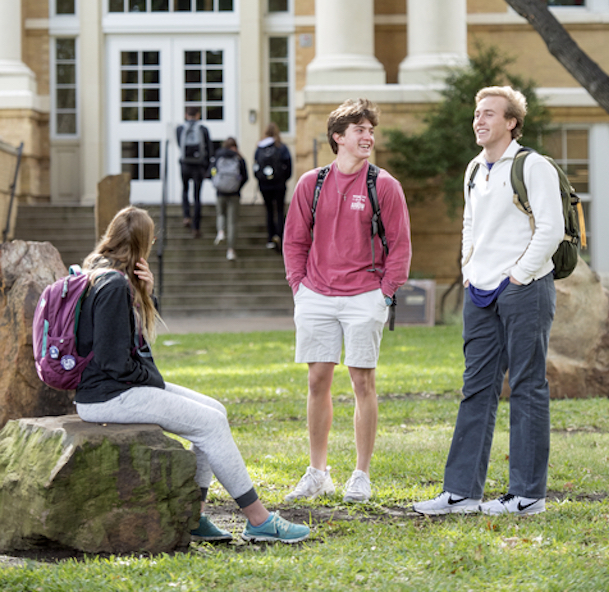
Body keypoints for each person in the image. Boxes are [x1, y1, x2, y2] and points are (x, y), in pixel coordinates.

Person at [74, 205, 310, 545]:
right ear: (142, 242)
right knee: (209, 424)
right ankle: (259, 519)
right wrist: (153, 379)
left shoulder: (106, 274)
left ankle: (195, 516)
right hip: (109, 396)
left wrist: (147, 292)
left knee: (216, 411)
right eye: (152, 238)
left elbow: (127, 343)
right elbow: (114, 360)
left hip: (118, 388)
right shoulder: (111, 285)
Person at [413, 86, 564, 518]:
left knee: (528, 386)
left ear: (511, 122)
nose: (479, 121)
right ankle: (461, 493)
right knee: (475, 389)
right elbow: (470, 224)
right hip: (479, 291)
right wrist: (468, 266)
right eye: (477, 114)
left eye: (489, 115)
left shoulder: (533, 166)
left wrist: (518, 274)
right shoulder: (475, 168)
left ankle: (527, 495)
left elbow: (550, 228)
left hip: (525, 288)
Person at [282, 98, 412, 504]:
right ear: (338, 137)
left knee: (362, 382)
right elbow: (294, 240)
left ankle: (361, 473)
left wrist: (384, 293)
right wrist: (299, 287)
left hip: (365, 296)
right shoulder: (311, 184)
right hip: (316, 295)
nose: (367, 136)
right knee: (317, 379)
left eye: (371, 130)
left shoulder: (384, 185)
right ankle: (317, 472)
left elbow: (401, 247)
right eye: (359, 130)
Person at [253, 122, 292, 251]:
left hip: (265, 185)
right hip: (279, 184)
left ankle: (270, 238)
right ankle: (280, 236)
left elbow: (255, 167)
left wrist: (261, 181)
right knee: (280, 210)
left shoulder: (260, 147)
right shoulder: (281, 147)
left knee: (269, 211)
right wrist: (283, 179)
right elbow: (289, 166)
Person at [176, 106, 211, 239]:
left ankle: (186, 216)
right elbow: (209, 148)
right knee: (197, 195)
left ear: (186, 115)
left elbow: (180, 145)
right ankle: (196, 227)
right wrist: (207, 166)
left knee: (185, 190)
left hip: (185, 165)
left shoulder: (180, 129)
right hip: (198, 166)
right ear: (198, 115)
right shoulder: (203, 129)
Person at [212, 136, 248, 260]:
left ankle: (221, 232)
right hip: (234, 194)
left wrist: (216, 182)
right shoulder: (239, 158)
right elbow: (245, 176)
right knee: (232, 222)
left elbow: (211, 171)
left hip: (220, 192)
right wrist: (237, 186)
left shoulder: (218, 156)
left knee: (221, 214)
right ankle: (231, 250)